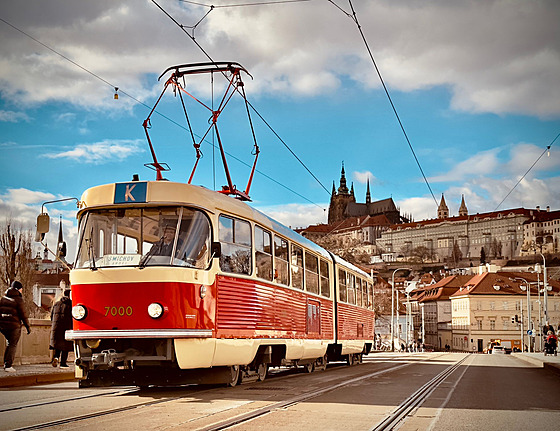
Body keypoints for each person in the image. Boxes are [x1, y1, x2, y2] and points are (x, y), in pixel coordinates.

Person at [0, 280, 31, 372]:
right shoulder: (18, 299)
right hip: (14, 326)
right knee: (12, 345)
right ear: (18, 289)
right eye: (21, 289)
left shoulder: (3, 298)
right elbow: (23, 315)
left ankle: (6, 364)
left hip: (3, 326)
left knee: (8, 344)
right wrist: (28, 327)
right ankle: (8, 365)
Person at [50, 288, 73, 367]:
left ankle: (56, 357)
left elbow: (51, 315)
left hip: (56, 327)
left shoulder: (56, 303)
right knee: (65, 346)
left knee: (58, 345)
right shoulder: (70, 304)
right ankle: (63, 363)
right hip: (66, 327)